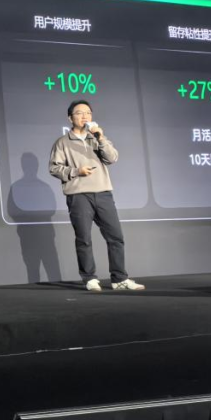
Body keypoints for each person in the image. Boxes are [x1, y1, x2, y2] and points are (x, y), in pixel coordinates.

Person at [48, 100, 144, 292]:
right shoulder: (62, 142)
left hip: (103, 193)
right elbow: (54, 168)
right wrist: (76, 171)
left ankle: (119, 279)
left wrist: (100, 137)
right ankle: (90, 279)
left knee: (115, 237)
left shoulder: (97, 138)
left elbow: (112, 158)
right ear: (70, 118)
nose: (85, 116)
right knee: (84, 238)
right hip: (78, 196)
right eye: (79, 113)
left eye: (88, 113)